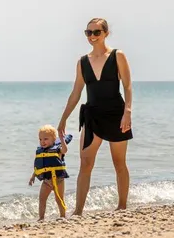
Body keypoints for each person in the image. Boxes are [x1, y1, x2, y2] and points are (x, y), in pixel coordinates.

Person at [57, 18, 133, 216]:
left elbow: (127, 86)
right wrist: (64, 118)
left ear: (106, 33)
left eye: (96, 32)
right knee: (85, 162)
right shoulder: (82, 62)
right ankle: (78, 211)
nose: (92, 36)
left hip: (116, 114)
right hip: (92, 115)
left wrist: (127, 112)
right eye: (88, 32)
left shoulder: (118, 56)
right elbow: (76, 92)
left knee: (119, 162)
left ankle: (122, 206)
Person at [29, 125, 73, 221]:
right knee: (42, 199)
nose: (42, 142)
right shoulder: (40, 151)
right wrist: (33, 176)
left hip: (59, 180)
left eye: (45, 139)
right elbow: (38, 167)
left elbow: (65, 150)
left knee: (59, 199)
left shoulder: (58, 149)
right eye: (40, 139)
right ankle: (41, 218)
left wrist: (62, 140)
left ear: (54, 139)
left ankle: (62, 216)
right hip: (47, 181)